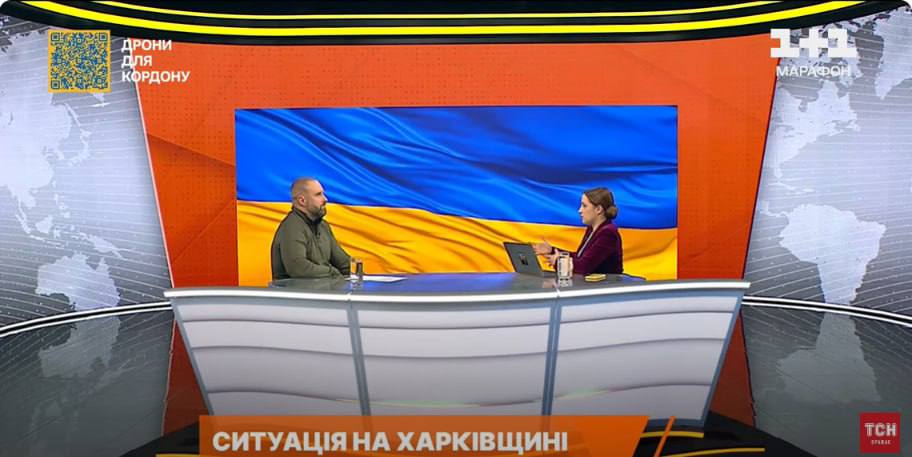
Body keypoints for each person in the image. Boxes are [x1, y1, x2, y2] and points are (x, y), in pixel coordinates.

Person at [271, 177, 352, 279]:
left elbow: (344, 263)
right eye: (318, 195)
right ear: (302, 201)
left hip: (324, 287)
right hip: (298, 289)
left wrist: (360, 274)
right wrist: (333, 273)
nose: (325, 199)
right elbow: (298, 268)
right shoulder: (291, 227)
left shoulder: (323, 226)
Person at [533, 187, 623, 276]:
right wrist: (552, 250)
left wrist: (559, 262)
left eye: (584, 206)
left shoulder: (608, 233)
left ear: (598, 209)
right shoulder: (592, 229)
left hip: (608, 284)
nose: (580, 210)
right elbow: (580, 257)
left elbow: (584, 267)